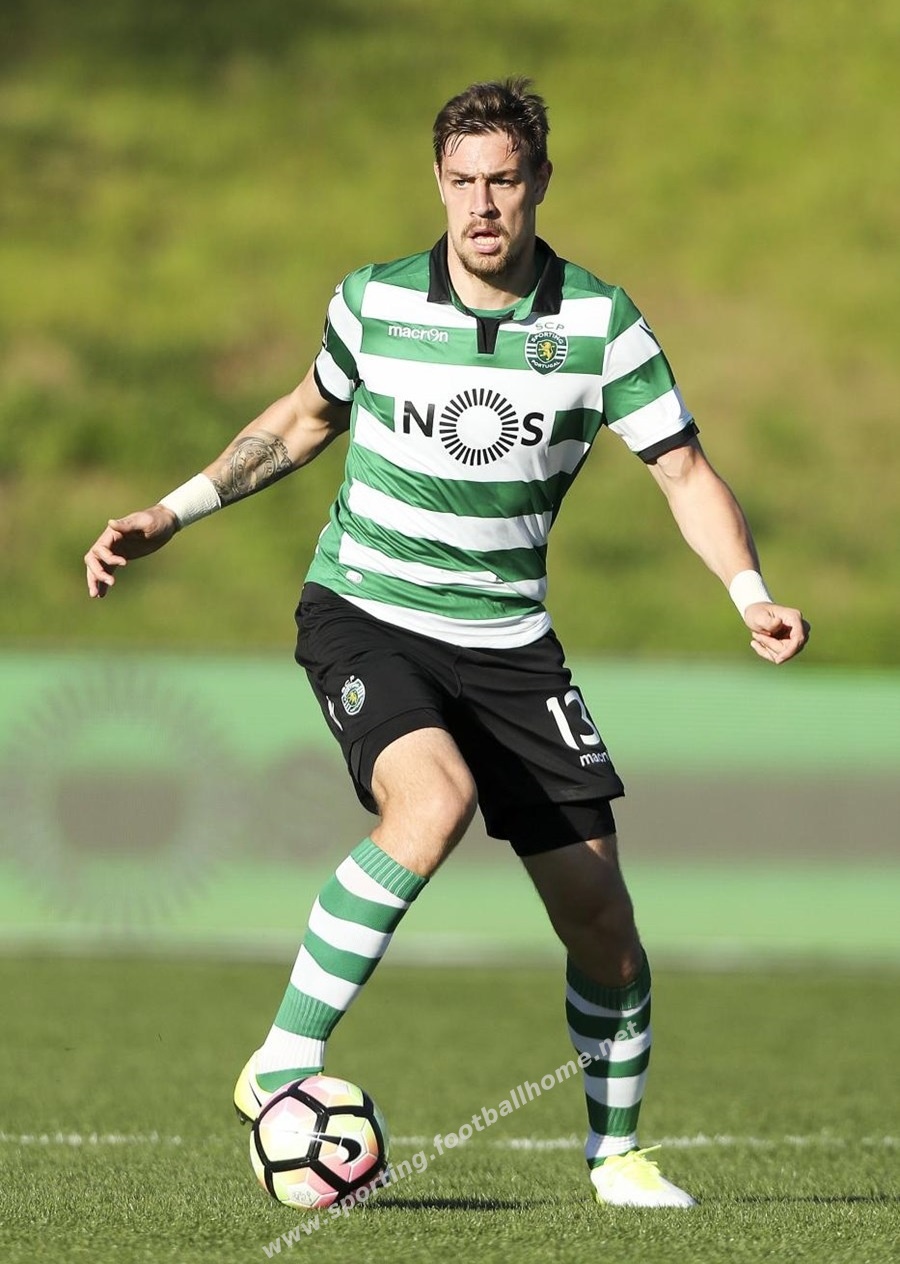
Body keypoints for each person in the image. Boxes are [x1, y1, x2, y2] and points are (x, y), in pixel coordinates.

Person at [84, 78, 809, 1208]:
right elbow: (302, 420)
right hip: (367, 610)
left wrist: (748, 592)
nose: (482, 205)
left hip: (510, 645)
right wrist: (171, 512)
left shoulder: (600, 323)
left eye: (503, 180)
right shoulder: (372, 300)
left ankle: (616, 1156)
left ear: (540, 182)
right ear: (437, 181)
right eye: (463, 181)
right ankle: (282, 1057)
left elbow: (682, 470)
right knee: (431, 802)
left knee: (603, 924)